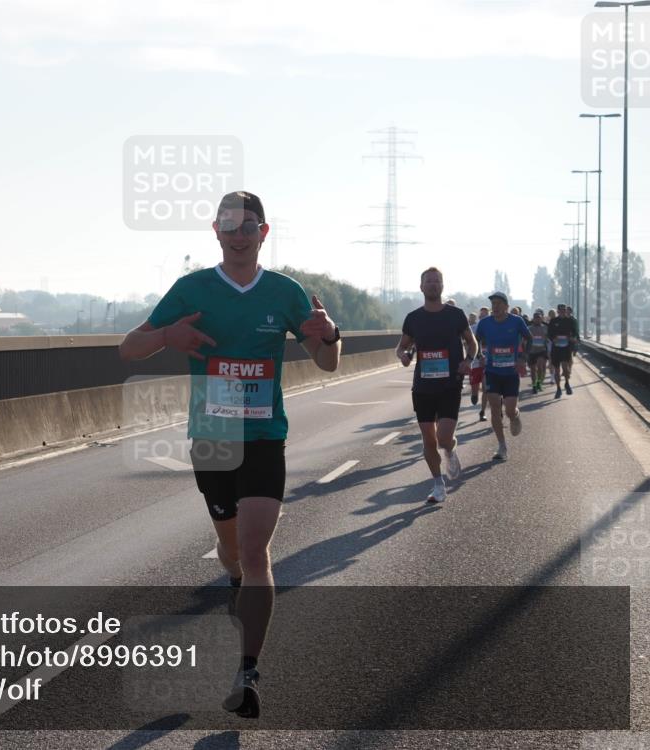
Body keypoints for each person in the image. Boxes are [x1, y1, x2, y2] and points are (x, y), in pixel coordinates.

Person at [119, 191, 341, 719]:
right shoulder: (192, 288)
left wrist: (329, 334)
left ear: (264, 233)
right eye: (228, 225)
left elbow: (327, 361)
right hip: (213, 442)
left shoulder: (286, 292)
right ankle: (235, 580)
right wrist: (167, 335)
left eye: (248, 225)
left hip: (265, 438)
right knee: (232, 554)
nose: (238, 233)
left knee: (256, 550)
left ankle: (247, 672)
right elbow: (128, 348)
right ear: (215, 232)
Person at [396, 268, 477, 503]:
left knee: (442, 439)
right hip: (423, 387)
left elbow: (472, 344)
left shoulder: (456, 314)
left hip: (450, 384)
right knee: (428, 441)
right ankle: (438, 484)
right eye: (429, 281)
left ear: (442, 286)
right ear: (421, 287)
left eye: (437, 281)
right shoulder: (413, 318)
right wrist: (403, 355)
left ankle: (450, 449)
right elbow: (401, 347)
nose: (433, 285)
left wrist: (468, 361)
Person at [474, 291, 531, 460]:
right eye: (493, 304)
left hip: (511, 373)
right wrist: (480, 356)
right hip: (492, 371)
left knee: (509, 410)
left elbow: (530, 338)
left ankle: (515, 416)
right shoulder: (485, 323)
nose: (496, 307)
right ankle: (502, 446)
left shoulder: (516, 321)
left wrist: (522, 358)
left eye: (499, 303)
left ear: (506, 306)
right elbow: (473, 341)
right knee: (495, 408)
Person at [548, 303, 579, 397]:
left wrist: (573, 338)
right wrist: (553, 338)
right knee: (557, 370)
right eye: (561, 310)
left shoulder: (570, 321)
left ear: (566, 311)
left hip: (566, 348)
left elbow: (576, 333)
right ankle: (558, 389)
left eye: (564, 310)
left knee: (565, 368)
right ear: (557, 311)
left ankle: (567, 383)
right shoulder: (553, 321)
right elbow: (549, 334)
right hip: (556, 348)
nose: (562, 312)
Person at [472, 307, 490, 420]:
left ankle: (482, 412)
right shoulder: (473, 328)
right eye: (482, 315)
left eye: (486, 315)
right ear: (479, 317)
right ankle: (474, 394)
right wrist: (478, 354)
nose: (484, 317)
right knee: (475, 388)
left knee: (485, 388)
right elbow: (470, 343)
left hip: (488, 361)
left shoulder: (492, 327)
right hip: (476, 362)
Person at [527, 310, 548, 393]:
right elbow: (525, 340)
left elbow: (548, 339)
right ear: (533, 319)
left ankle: (539, 383)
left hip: (542, 350)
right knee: (532, 369)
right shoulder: (529, 328)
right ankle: (534, 385)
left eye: (539, 318)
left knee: (540, 367)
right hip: (532, 351)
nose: (537, 320)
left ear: (541, 319)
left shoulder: (545, 328)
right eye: (536, 318)